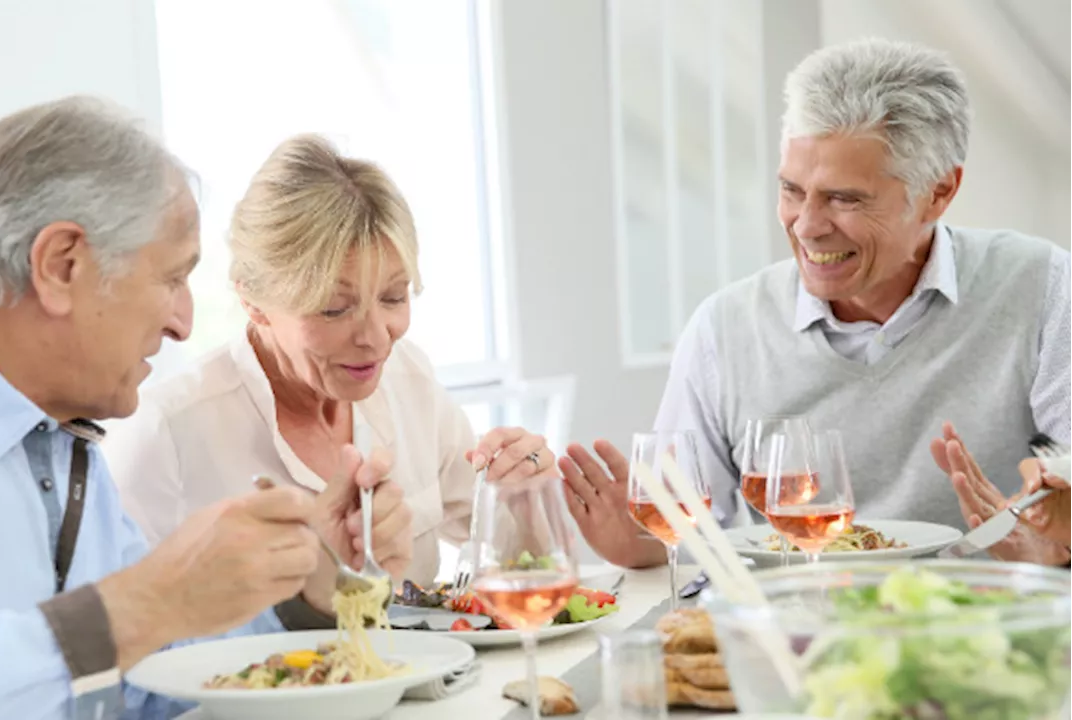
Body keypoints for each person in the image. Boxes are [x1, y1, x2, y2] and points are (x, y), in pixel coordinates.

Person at [0, 97, 413, 720]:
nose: (183, 322)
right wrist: (139, 604)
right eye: (172, 279)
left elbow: (151, 679)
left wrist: (305, 587)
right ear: (62, 265)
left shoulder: (61, 443)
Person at [563, 37, 1072, 569]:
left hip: (989, 632)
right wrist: (634, 539)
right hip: (797, 639)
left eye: (844, 198)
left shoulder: (1041, 287)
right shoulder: (726, 328)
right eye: (791, 190)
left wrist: (1055, 543)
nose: (806, 226)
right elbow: (680, 531)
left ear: (939, 193)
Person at [102, 134, 556, 587]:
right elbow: (133, 635)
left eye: (393, 297)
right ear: (253, 300)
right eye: (335, 309)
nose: (376, 338)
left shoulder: (408, 379)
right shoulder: (164, 434)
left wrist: (526, 499)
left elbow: (510, 562)